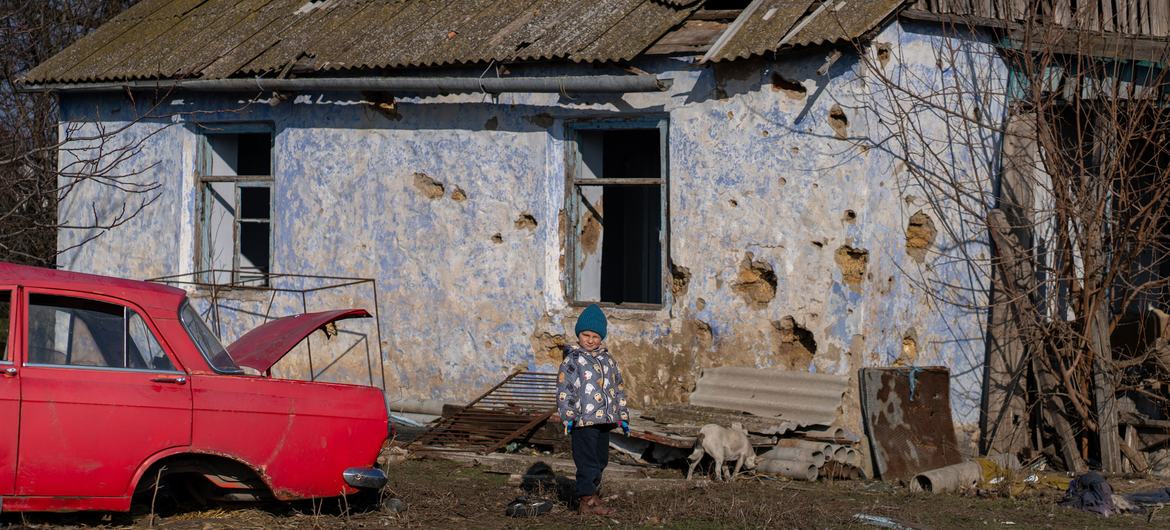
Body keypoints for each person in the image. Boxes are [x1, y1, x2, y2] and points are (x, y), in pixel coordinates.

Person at [556, 303, 630, 516]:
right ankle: (586, 501)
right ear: (579, 335)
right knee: (587, 460)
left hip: (604, 421)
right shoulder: (573, 360)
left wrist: (622, 416)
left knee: (600, 459)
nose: (590, 340)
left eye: (595, 336)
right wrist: (568, 416)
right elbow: (565, 390)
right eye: (585, 335)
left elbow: (618, 389)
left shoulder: (608, 360)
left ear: (602, 337)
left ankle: (593, 495)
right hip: (583, 421)